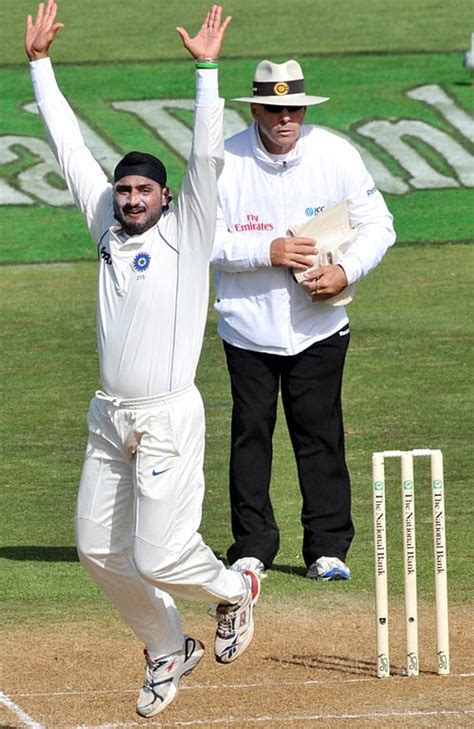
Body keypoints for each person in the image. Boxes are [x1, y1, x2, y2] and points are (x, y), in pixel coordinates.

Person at [25, 1, 261, 718]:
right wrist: (39, 66)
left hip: (166, 417)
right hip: (108, 415)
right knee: (98, 550)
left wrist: (209, 73)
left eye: (142, 191)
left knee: (159, 555)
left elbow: (206, 155)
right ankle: (167, 646)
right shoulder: (103, 222)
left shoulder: (189, 225)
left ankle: (235, 589)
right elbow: (69, 146)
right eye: (124, 190)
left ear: (165, 196)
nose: (130, 199)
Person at [211, 59, 396, 582]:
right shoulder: (225, 160)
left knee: (320, 434)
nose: (284, 119)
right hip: (247, 328)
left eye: (293, 108)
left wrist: (345, 270)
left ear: (303, 108)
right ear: (255, 109)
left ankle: (328, 548)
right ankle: (251, 546)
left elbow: (379, 226)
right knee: (251, 433)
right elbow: (203, 241)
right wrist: (265, 250)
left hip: (318, 325)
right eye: (273, 108)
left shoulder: (335, 153)